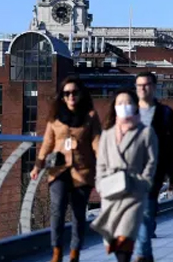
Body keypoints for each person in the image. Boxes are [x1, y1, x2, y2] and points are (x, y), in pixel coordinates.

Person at [31, 76, 101, 262]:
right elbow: (47, 142)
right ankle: (56, 251)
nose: (71, 96)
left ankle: (75, 252)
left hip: (83, 171)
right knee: (57, 210)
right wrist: (38, 165)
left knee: (78, 214)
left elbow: (96, 142)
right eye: (67, 93)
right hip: (59, 170)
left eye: (74, 92)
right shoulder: (55, 117)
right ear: (62, 96)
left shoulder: (90, 116)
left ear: (81, 95)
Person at [91, 89, 158, 262]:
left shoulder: (145, 132)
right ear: (114, 107)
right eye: (120, 103)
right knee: (112, 238)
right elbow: (101, 163)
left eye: (128, 103)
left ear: (136, 106)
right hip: (111, 191)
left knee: (125, 236)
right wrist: (100, 183)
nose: (124, 107)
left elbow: (151, 161)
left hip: (134, 190)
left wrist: (144, 182)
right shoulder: (107, 134)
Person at [132, 73, 173, 262]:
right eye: (139, 85)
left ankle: (142, 254)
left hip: (155, 167)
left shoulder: (166, 113)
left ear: (154, 87)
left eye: (147, 85)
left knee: (146, 208)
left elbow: (172, 143)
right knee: (142, 210)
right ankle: (146, 254)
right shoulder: (128, 111)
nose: (143, 88)